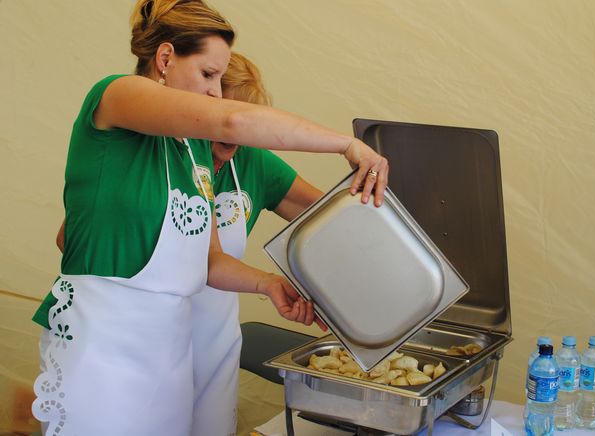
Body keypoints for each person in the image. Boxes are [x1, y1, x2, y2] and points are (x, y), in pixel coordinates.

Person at [30, 1, 388, 435]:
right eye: (208, 74)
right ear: (164, 59)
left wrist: (269, 283)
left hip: (171, 349)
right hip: (104, 344)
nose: (217, 91)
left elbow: (208, 260)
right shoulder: (115, 94)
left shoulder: (194, 150)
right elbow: (233, 121)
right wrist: (344, 145)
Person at [191, 52, 325, 435]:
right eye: (229, 118)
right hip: (151, 333)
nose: (236, 134)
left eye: (248, 123)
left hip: (215, 337)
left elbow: (328, 218)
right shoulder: (162, 155)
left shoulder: (254, 162)